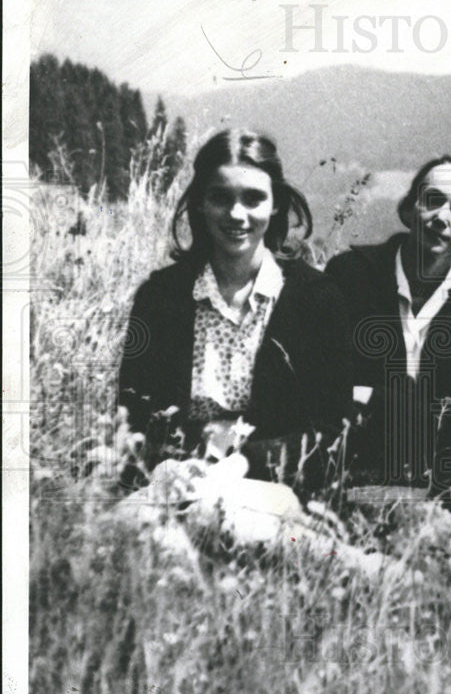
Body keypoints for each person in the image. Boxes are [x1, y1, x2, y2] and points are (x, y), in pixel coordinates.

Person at [117, 129, 353, 494]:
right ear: (200, 203)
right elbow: (133, 413)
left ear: (276, 204)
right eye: (220, 198)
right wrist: (164, 467)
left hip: (271, 490)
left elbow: (331, 430)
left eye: (254, 198)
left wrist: (241, 465)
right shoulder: (160, 297)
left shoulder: (317, 300)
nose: (236, 214)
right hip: (173, 486)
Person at [324, 156, 451, 494]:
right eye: (433, 201)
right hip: (341, 477)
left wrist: (375, 399)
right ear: (408, 208)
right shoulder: (349, 277)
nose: (441, 218)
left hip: (431, 493)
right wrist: (418, 413)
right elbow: (325, 394)